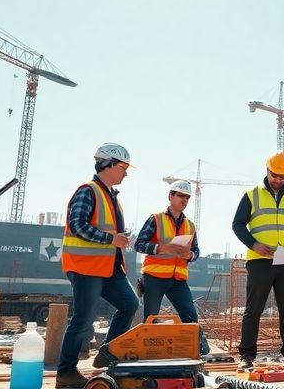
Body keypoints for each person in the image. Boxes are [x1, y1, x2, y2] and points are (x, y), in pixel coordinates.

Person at [56, 143, 140, 388]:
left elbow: (104, 229)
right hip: (86, 266)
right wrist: (112, 238)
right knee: (83, 319)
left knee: (130, 304)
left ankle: (107, 353)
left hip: (109, 267)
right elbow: (78, 226)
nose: (126, 173)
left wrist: (120, 237)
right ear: (109, 164)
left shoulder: (111, 196)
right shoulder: (88, 191)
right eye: (124, 167)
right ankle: (66, 372)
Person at [231, 151, 284, 370]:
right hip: (259, 261)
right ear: (267, 170)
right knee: (253, 309)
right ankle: (247, 355)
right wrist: (253, 244)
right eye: (274, 175)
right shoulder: (252, 195)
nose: (278, 180)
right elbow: (238, 224)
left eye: (282, 176)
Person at [133, 179, 209, 356]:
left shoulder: (190, 225)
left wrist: (190, 255)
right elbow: (138, 245)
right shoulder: (155, 219)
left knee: (190, 317)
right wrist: (161, 247)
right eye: (181, 195)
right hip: (154, 278)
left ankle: (198, 350)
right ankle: (148, 354)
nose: (184, 200)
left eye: (187, 197)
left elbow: (196, 250)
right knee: (150, 319)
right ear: (170, 196)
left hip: (178, 280)